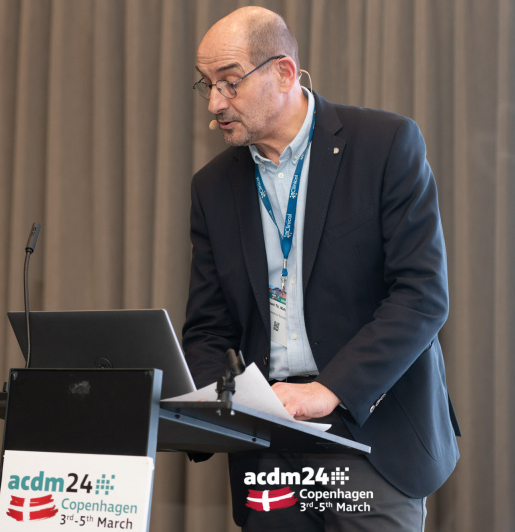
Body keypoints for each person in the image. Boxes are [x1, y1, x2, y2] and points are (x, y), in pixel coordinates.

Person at [182, 6, 460, 531]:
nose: (215, 103)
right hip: (267, 446)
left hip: (369, 431)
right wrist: (219, 409)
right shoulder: (212, 187)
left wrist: (328, 390)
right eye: (208, 85)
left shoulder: (385, 145)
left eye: (230, 83)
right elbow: (208, 328)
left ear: (284, 73)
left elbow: (420, 296)